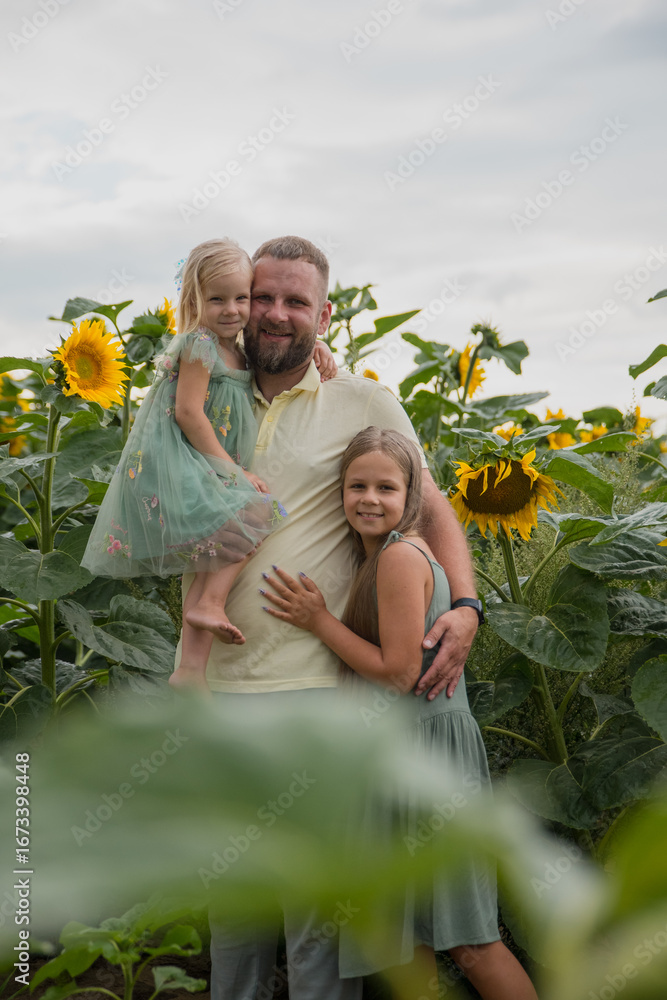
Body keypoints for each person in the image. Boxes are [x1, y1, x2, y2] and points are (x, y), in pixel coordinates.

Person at [177, 236, 482, 999]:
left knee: (317, 914)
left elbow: (429, 504)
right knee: (236, 907)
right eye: (262, 297)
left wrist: (469, 607)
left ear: (324, 312)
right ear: (240, 302)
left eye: (295, 301)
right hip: (216, 686)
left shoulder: (362, 401)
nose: (275, 314)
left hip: (320, 690)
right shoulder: (208, 390)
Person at [260, 426, 539, 1000]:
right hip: (400, 756)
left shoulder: (400, 557)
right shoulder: (378, 559)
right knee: (407, 942)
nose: (369, 498)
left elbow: (399, 673)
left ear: (411, 495)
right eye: (356, 485)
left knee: (470, 940)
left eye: (386, 487)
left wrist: (319, 621)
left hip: (430, 756)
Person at [81, 238, 336, 692]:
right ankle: (211, 605)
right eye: (217, 299)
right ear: (194, 301)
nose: (233, 310)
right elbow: (188, 413)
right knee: (257, 513)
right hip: (187, 461)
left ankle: (191, 668)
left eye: (242, 298)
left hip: (205, 460)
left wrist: (320, 348)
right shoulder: (200, 343)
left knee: (212, 551)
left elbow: (284, 353)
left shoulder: (234, 346)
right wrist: (232, 471)